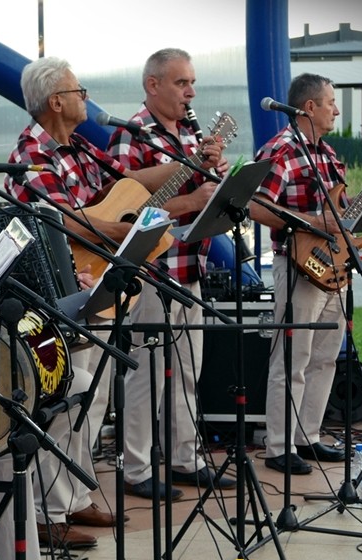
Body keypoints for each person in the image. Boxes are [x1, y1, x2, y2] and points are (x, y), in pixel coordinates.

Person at [3, 55, 187, 560]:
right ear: (55, 101)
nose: (86, 97)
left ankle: (75, 496)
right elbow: (62, 220)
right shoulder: (31, 153)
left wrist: (186, 164)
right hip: (57, 291)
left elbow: (128, 182)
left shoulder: (80, 147)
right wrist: (123, 233)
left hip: (96, 281)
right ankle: (47, 511)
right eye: (78, 90)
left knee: (94, 396)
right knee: (64, 396)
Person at [106, 48, 235, 499]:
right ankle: (136, 468)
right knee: (146, 371)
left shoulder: (188, 137)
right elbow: (125, 210)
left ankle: (185, 459)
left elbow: (200, 199)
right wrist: (192, 200)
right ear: (153, 85)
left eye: (192, 82)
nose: (191, 92)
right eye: (182, 83)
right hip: (151, 271)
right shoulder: (131, 136)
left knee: (187, 371)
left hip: (190, 267)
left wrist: (216, 186)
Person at [252, 73, 349, 475]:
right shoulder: (280, 150)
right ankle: (278, 445)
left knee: (324, 358)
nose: (336, 110)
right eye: (330, 102)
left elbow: (339, 212)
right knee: (292, 359)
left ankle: (307, 436)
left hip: (334, 268)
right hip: (297, 266)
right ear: (309, 107)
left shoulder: (326, 153)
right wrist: (312, 222)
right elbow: (256, 206)